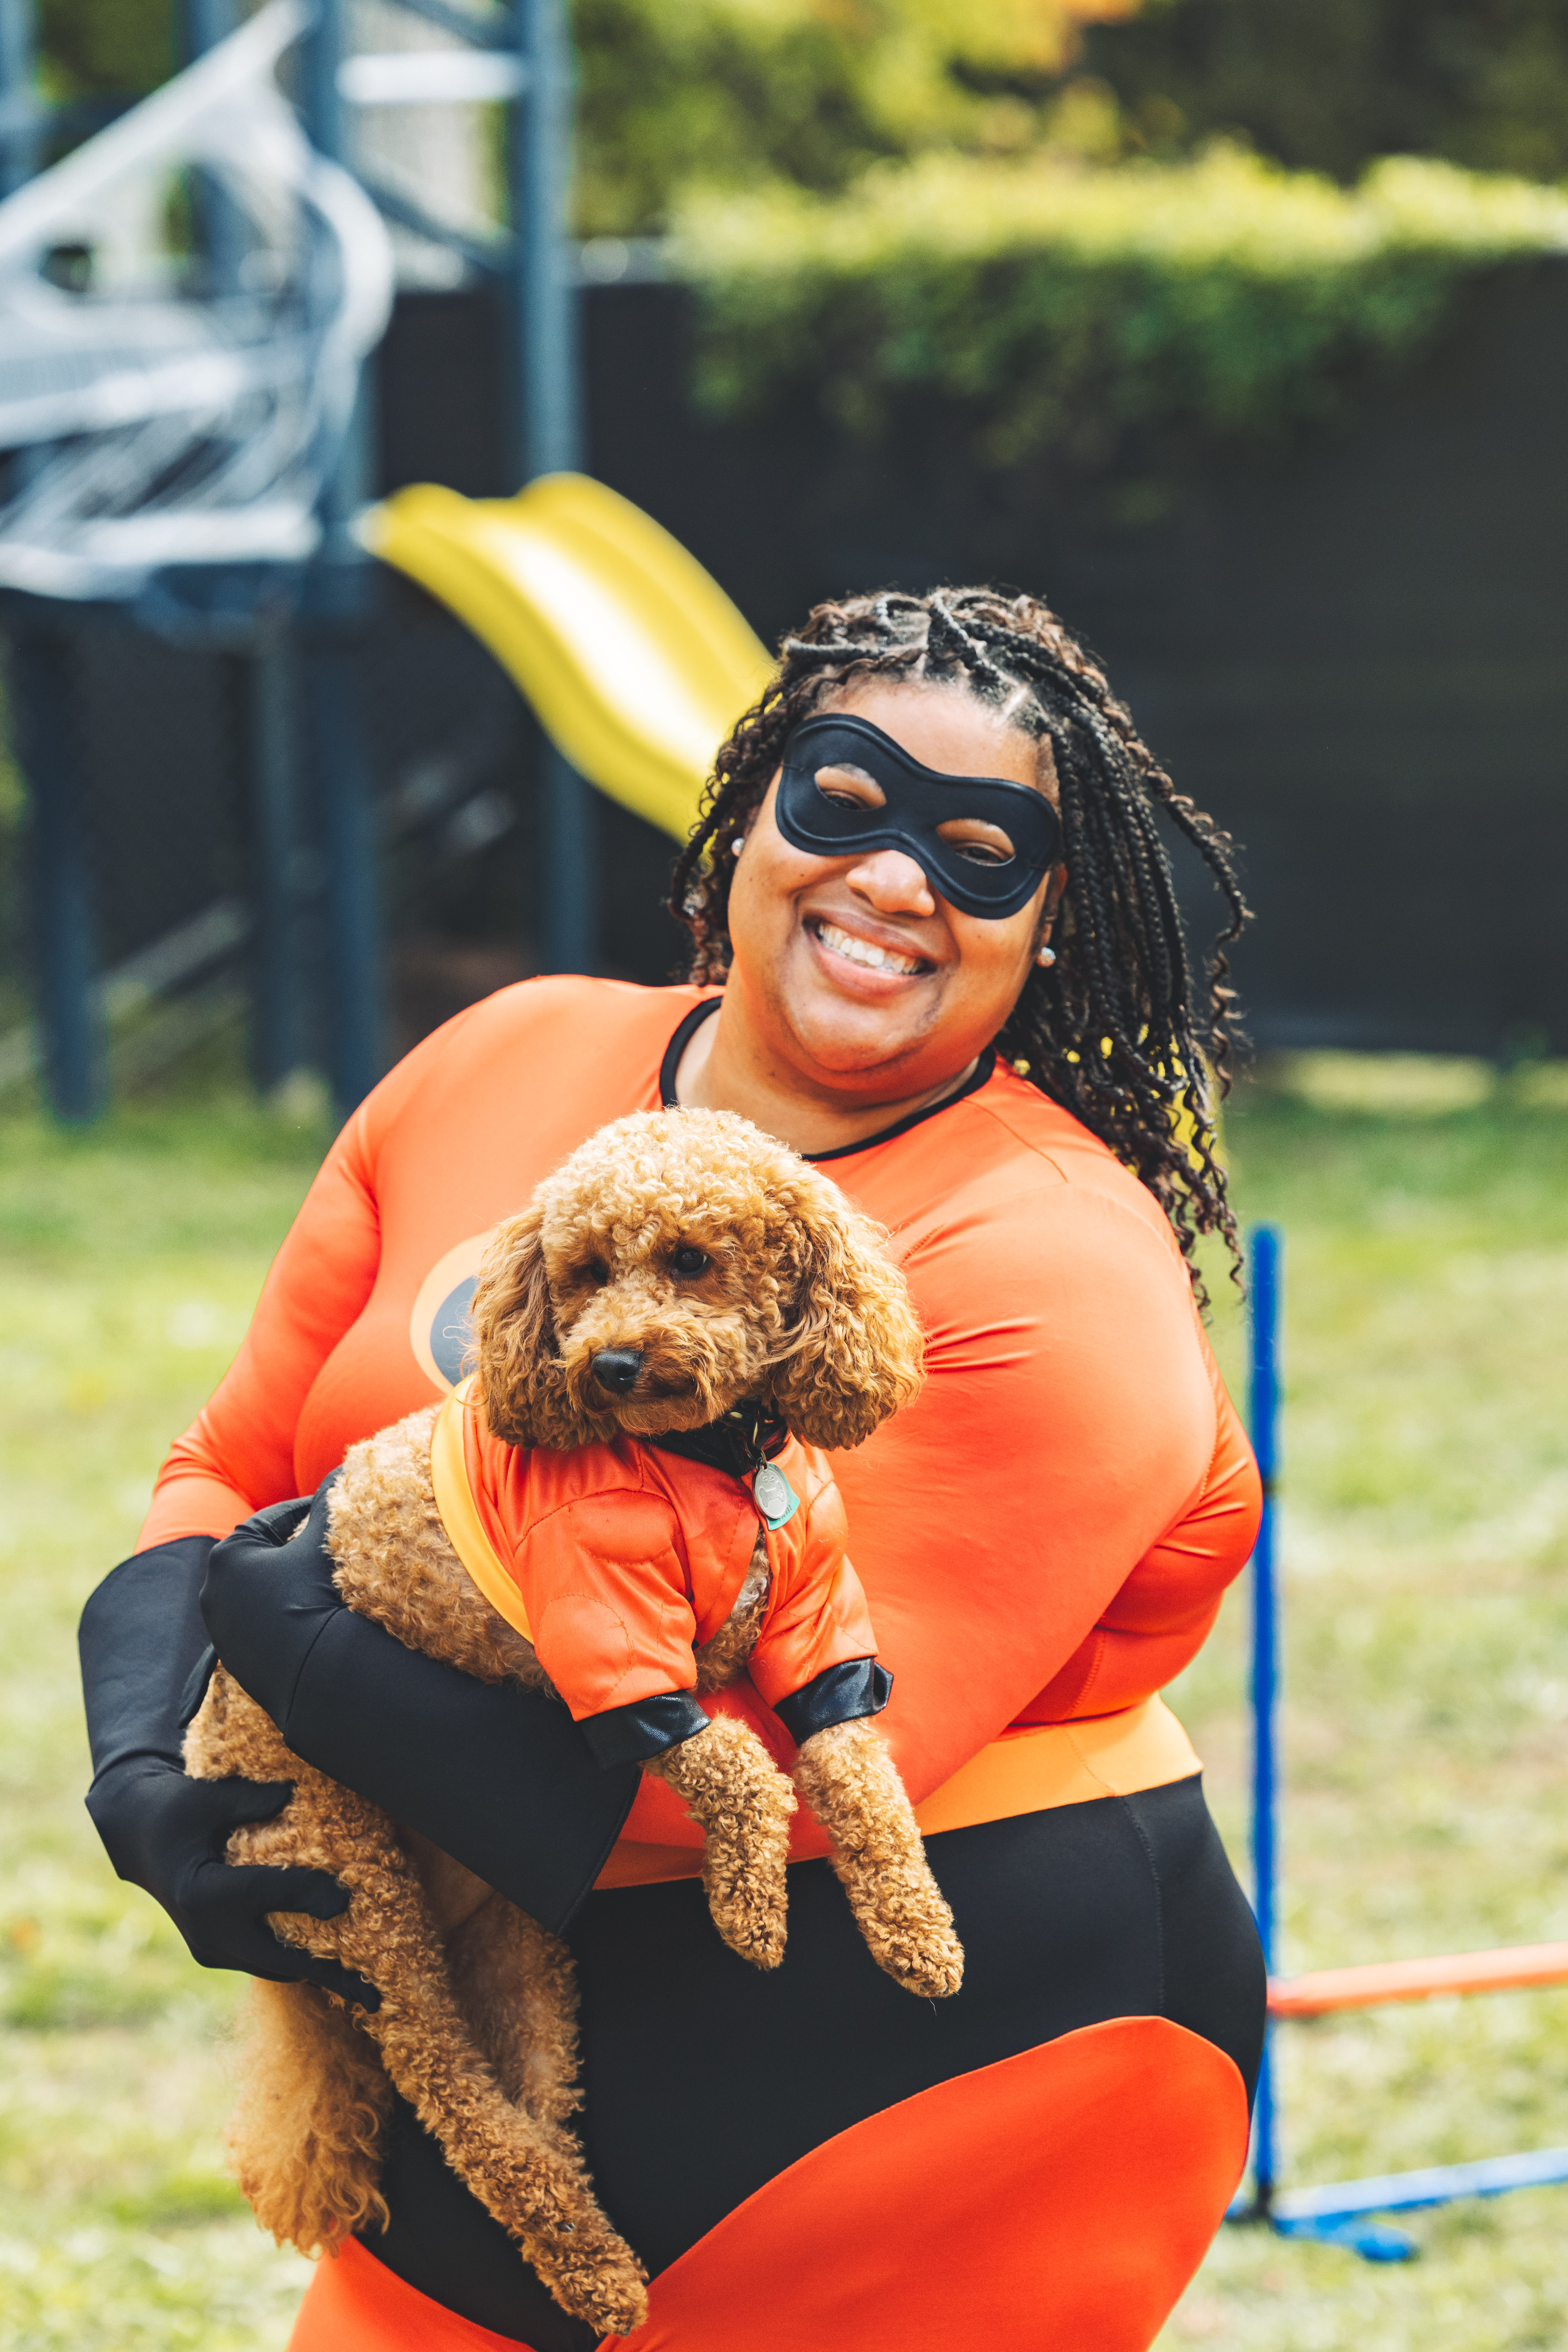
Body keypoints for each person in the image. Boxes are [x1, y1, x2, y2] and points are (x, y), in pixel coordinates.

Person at [80, 586, 1267, 2352]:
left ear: (1053, 920)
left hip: (921, 2066)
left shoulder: (1048, 1259)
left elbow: (768, 1790)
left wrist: (311, 1666)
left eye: (980, 849)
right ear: (748, 811)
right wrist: (150, 1769)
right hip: (505, 2024)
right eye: (841, 804)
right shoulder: (506, 1052)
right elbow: (231, 1462)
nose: (890, 880)